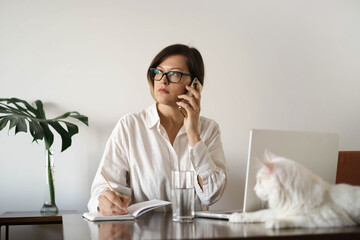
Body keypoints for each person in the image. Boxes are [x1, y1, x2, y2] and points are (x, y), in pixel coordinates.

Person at [88, 44, 228, 215]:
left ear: (195, 84)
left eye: (174, 74)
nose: (163, 80)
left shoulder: (209, 129)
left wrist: (193, 133)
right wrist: (105, 201)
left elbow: (210, 195)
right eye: (158, 72)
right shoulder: (129, 126)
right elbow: (100, 190)